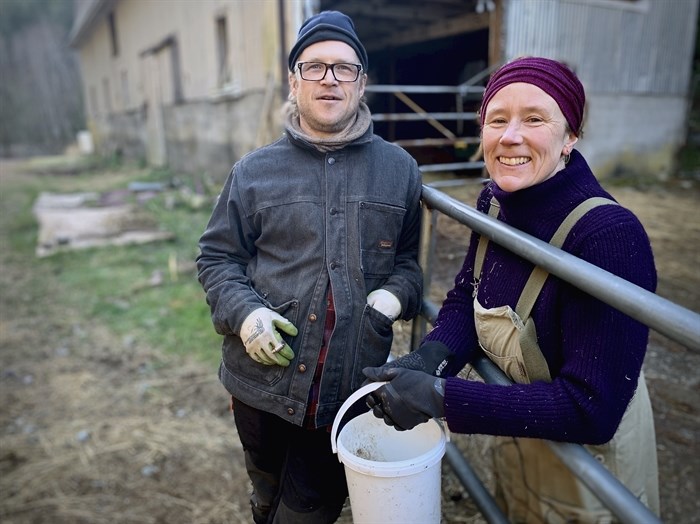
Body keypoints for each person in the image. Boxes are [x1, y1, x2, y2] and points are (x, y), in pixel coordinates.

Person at [363, 56, 659, 523]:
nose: (510, 136)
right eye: (497, 120)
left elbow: (593, 410)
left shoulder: (607, 236)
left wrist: (441, 397)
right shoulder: (495, 203)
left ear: (571, 137)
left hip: (591, 472)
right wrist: (429, 358)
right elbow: (467, 296)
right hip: (523, 436)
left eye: (535, 119)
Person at [196, 10, 423, 524]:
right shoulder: (254, 172)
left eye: (344, 68)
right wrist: (246, 315)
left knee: (306, 512)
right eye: (314, 66)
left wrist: (391, 299)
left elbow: (408, 262)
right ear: (294, 80)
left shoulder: (399, 171)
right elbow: (216, 257)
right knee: (265, 491)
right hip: (259, 384)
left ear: (362, 83)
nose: (329, 79)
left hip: (345, 390)